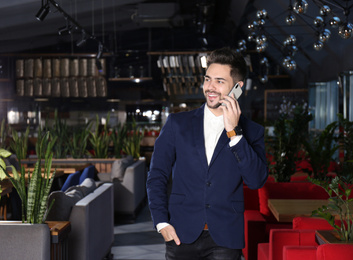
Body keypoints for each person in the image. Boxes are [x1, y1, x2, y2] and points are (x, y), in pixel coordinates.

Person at [146, 47, 268, 260]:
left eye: (220, 81)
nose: (210, 87)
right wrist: (161, 222)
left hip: (226, 237)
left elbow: (256, 180)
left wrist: (234, 133)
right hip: (181, 233)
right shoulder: (177, 124)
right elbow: (157, 175)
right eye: (207, 79)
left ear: (237, 88)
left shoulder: (252, 132)